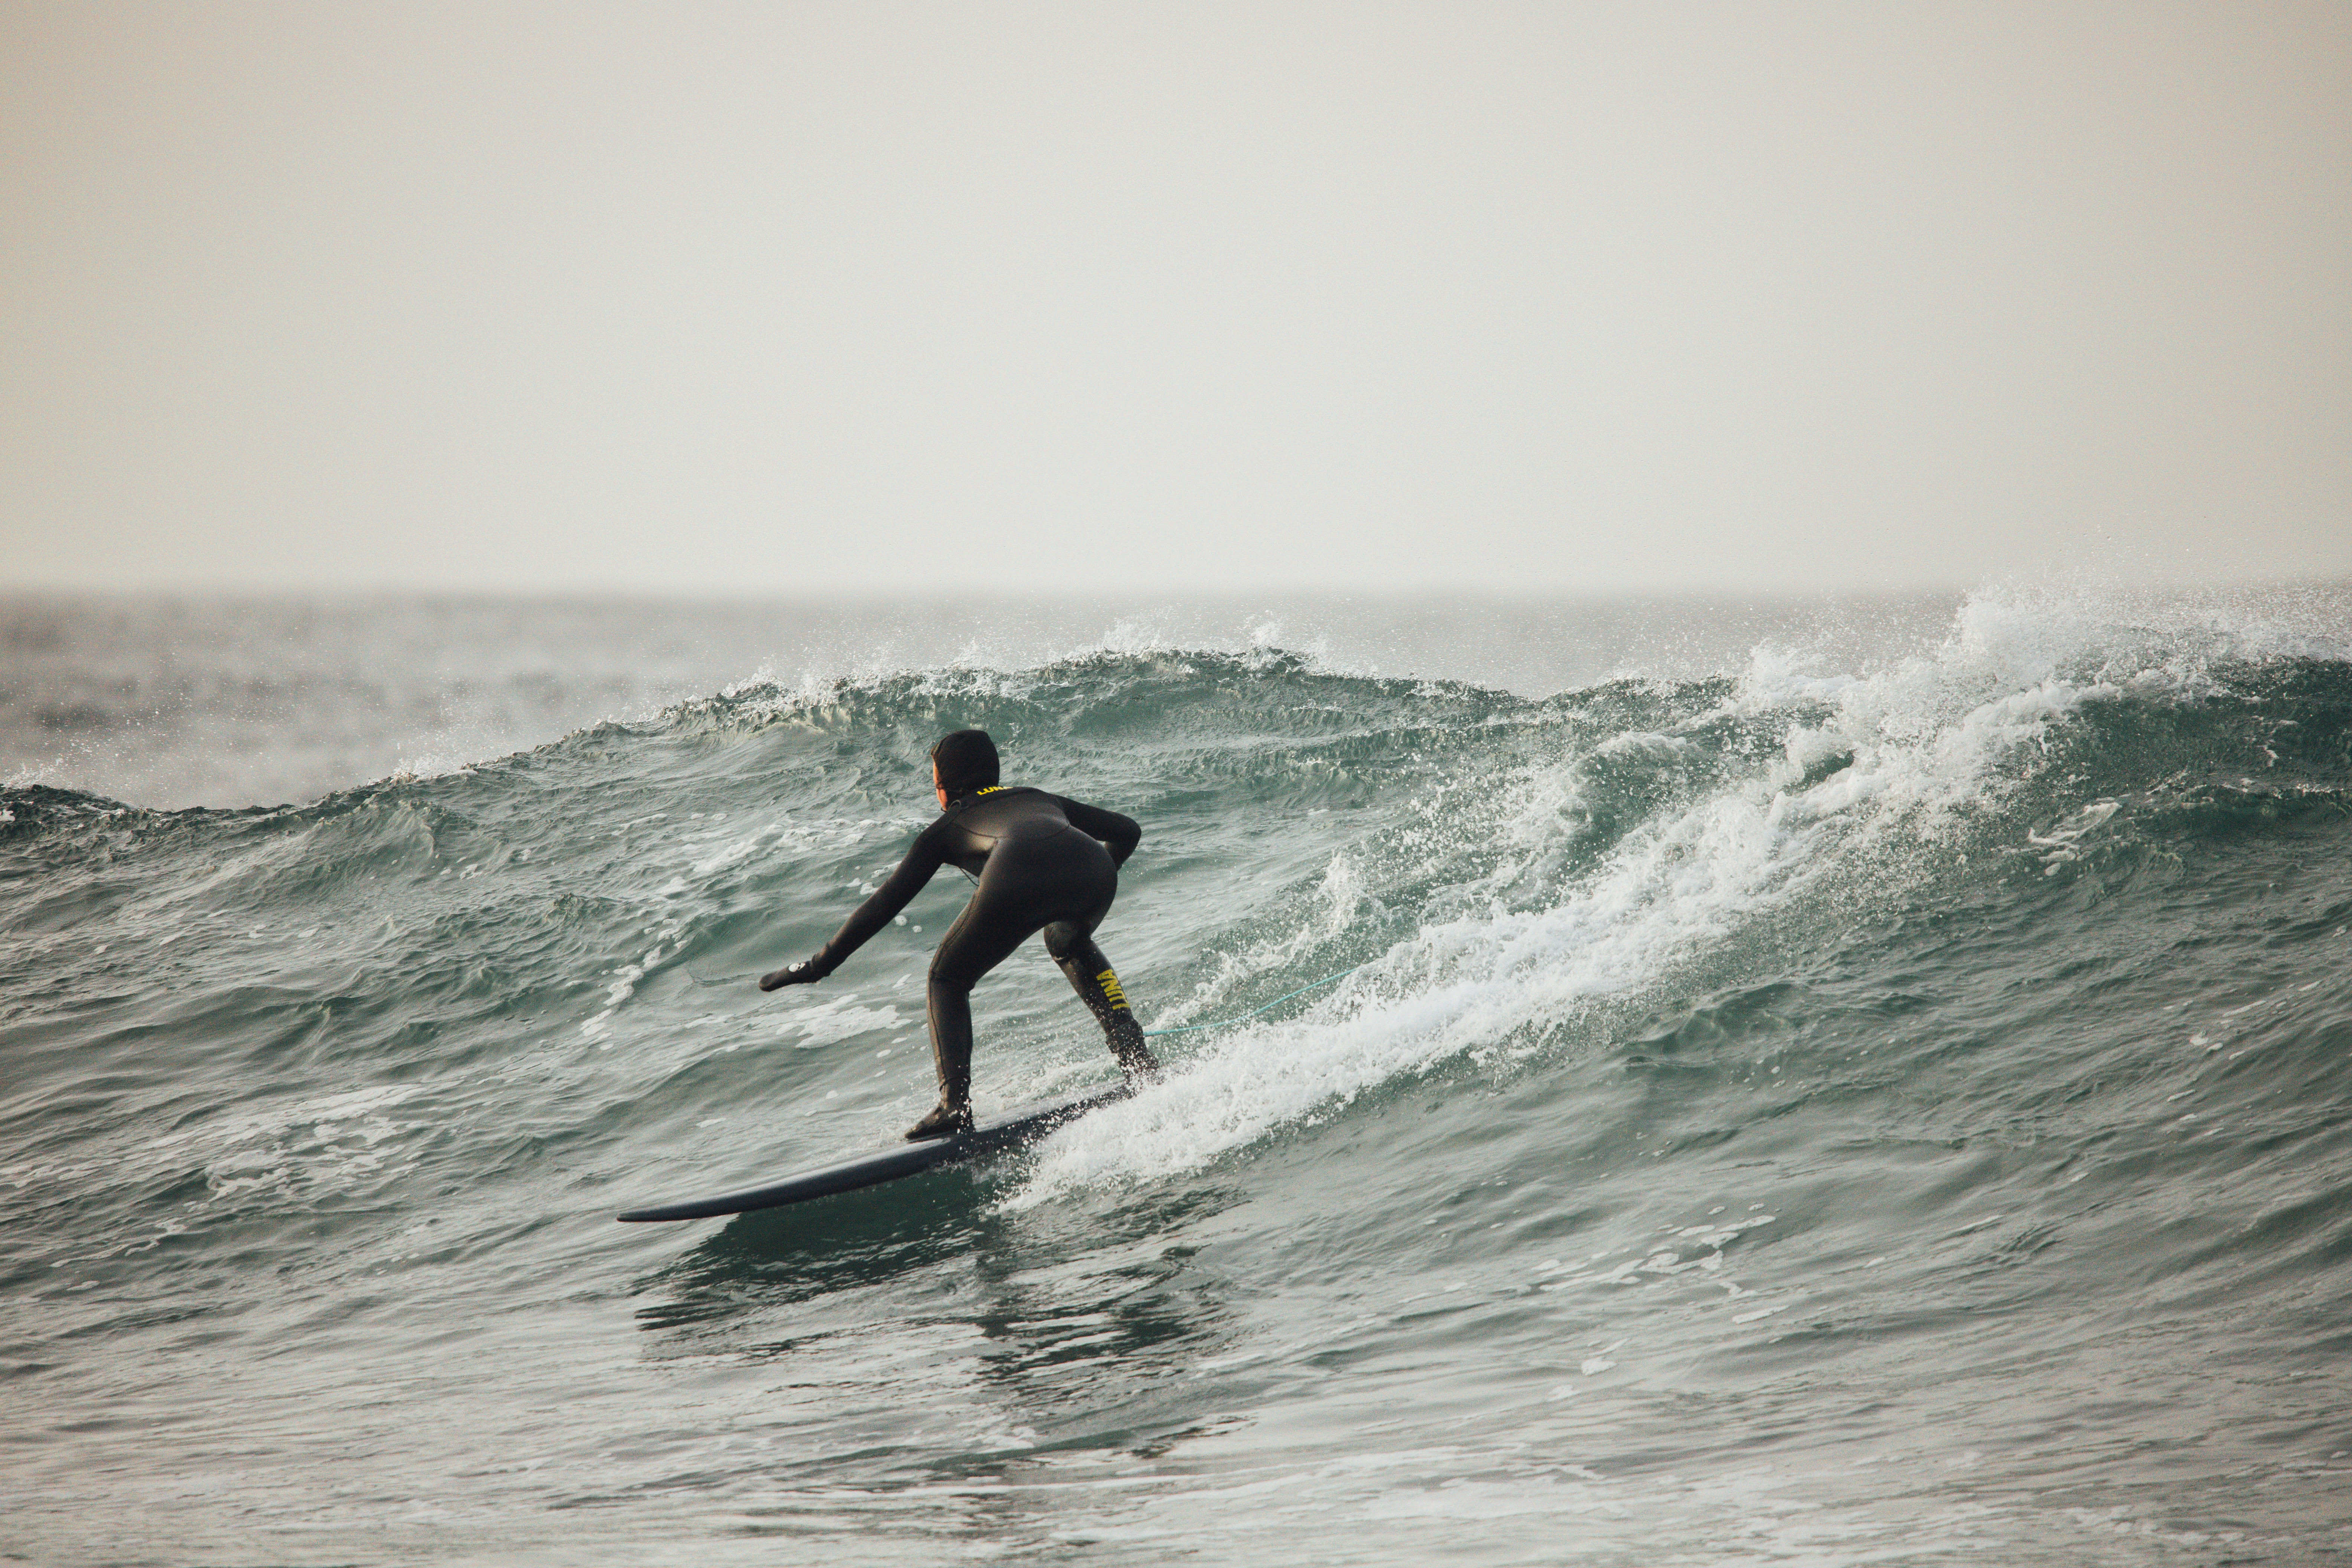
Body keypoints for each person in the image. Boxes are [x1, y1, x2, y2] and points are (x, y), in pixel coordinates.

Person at [760, 729, 1159, 1140]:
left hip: (1017, 871)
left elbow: (883, 904)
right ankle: (1138, 1060)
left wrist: (818, 965)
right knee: (1066, 941)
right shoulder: (1038, 797)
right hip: (1094, 869)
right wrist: (1093, 875)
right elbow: (1128, 830)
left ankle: (954, 1106)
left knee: (947, 978)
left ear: (946, 785)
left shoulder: (947, 827)